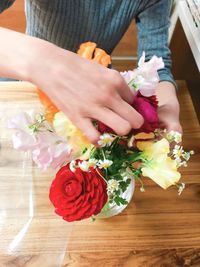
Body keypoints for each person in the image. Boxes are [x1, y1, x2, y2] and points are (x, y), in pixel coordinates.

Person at [0, 0, 182, 144]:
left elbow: (157, 63)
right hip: (29, 87)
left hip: (96, 95)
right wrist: (44, 61)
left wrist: (168, 106)